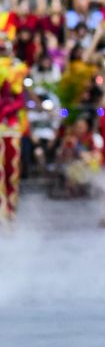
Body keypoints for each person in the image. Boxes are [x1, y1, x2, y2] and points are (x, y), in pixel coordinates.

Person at [0, 33, 28, 222]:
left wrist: (5, 111)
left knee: (11, 168)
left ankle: (10, 208)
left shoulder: (17, 69)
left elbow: (19, 99)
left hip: (10, 125)